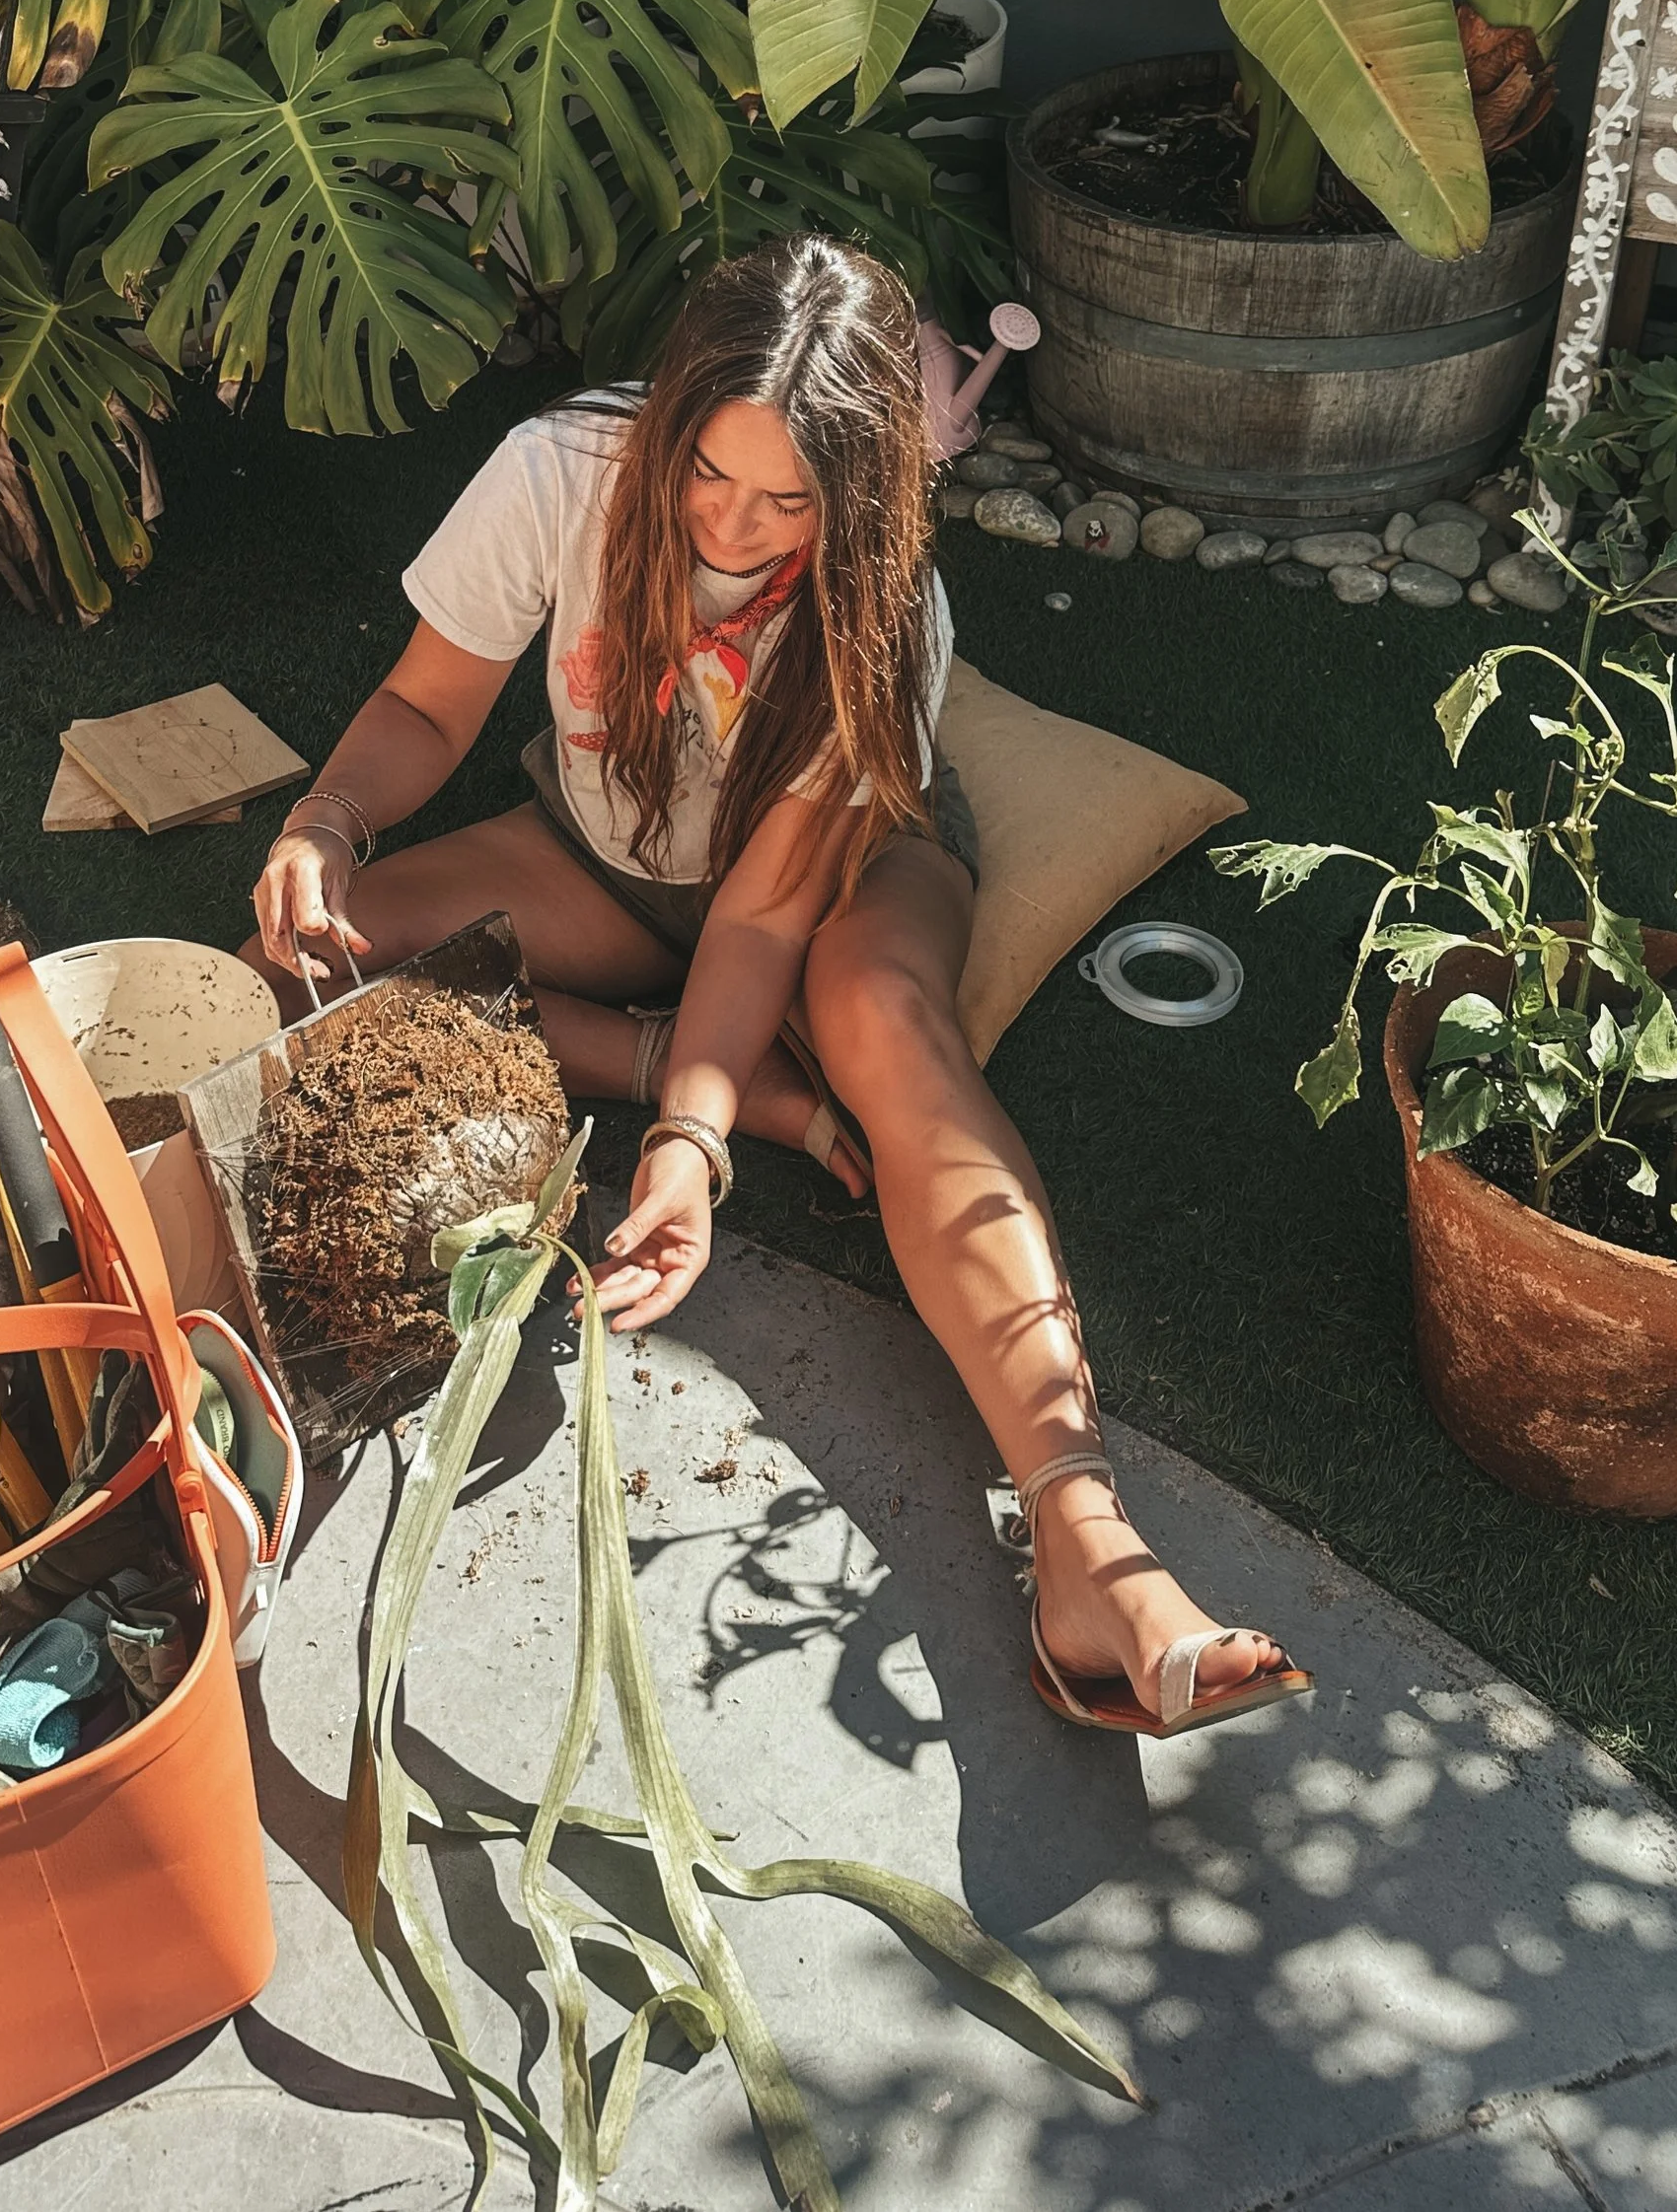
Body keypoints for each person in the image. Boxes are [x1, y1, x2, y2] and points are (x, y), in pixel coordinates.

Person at [249, 238, 1309, 1742]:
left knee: (888, 1027)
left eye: (788, 502)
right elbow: (426, 701)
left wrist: (688, 1145)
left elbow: (759, 919)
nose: (734, 528)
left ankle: (1093, 1555)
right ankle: (686, 1064)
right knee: (282, 984)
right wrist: (325, 829)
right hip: (599, 848)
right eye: (707, 475)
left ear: (861, 494)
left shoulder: (892, 603)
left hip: (843, 868)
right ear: (671, 413)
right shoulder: (558, 469)